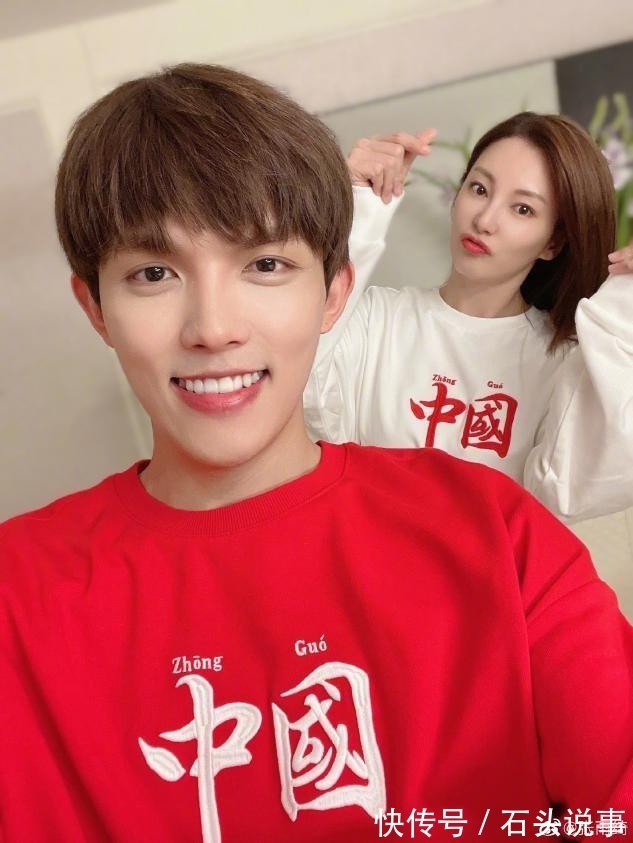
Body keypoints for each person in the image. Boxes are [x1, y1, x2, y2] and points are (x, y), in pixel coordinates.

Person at [0, 65, 631, 843]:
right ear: (95, 306)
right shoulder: (17, 597)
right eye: (154, 273)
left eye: (265, 264)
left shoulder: (502, 535)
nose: (214, 327)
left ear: (332, 292)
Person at [305, 114, 633, 523]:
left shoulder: (565, 365)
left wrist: (627, 301)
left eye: (523, 209)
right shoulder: (373, 321)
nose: (485, 220)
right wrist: (356, 204)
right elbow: (300, 390)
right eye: (479, 189)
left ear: (553, 241)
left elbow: (570, 493)